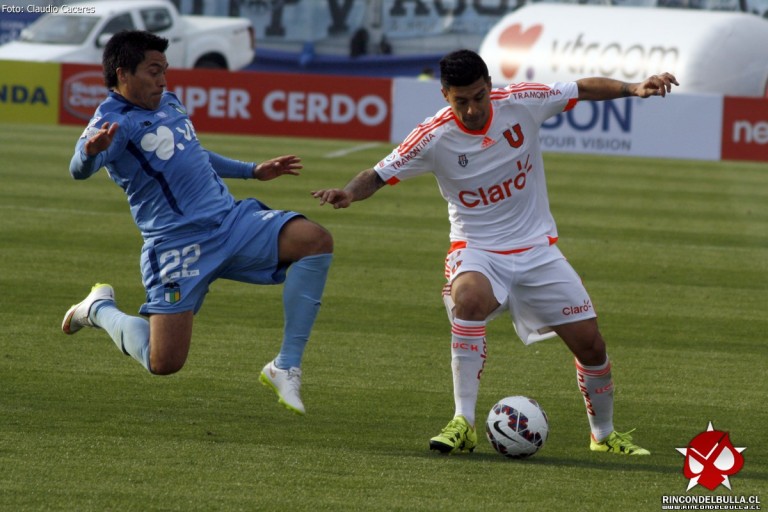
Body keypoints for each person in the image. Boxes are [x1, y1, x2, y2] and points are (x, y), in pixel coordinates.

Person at [312, 49, 679, 454]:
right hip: (478, 250)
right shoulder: (433, 136)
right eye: (460, 101)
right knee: (467, 299)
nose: (471, 109)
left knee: (592, 346)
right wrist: (348, 192)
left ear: (490, 87)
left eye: (478, 97)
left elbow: (580, 88)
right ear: (445, 95)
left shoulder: (522, 101)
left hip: (538, 250)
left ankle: (604, 435)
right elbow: (378, 174)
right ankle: (462, 422)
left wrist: (633, 88)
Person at [61, 30, 333, 416]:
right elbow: (78, 168)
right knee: (164, 362)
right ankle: (98, 310)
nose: (163, 80)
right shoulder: (111, 122)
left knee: (314, 239)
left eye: (165, 70)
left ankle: (284, 366)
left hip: (230, 222)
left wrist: (252, 171)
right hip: (176, 246)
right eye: (153, 71)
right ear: (123, 74)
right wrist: (89, 154)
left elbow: (193, 152)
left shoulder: (168, 101)